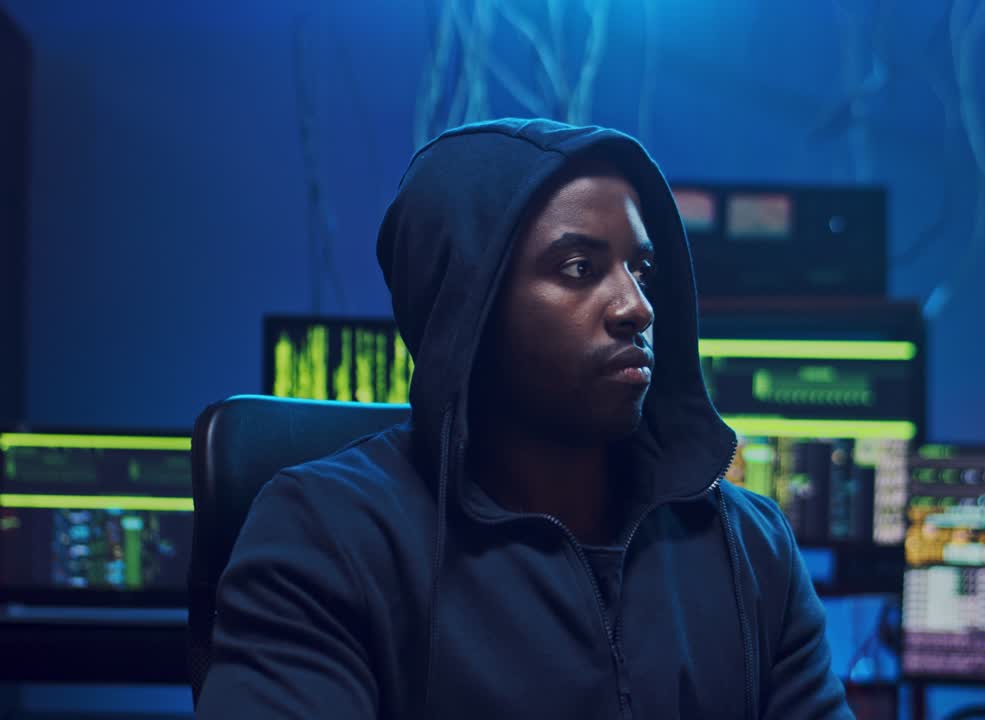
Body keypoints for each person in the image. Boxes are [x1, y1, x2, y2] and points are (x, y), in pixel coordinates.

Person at [197, 118, 852, 719]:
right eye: (580, 268)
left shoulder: (750, 545)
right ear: (467, 311)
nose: (636, 306)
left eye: (641, 268)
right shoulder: (326, 535)